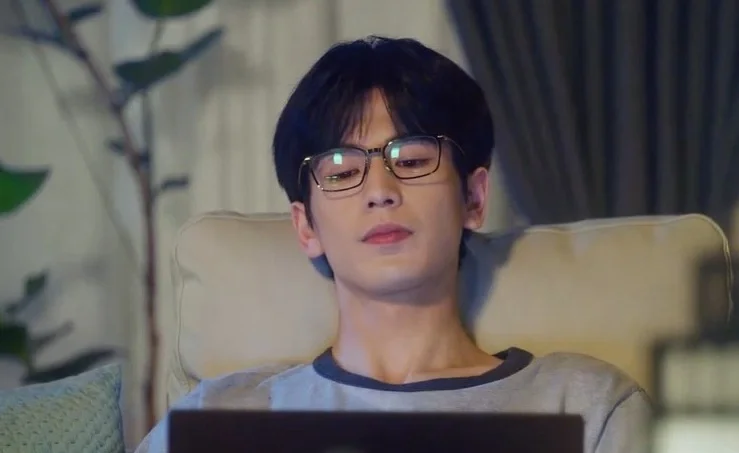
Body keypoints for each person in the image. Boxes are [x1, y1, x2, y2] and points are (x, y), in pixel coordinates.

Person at [133, 36, 651, 453]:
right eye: (342, 170)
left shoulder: (586, 405)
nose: (380, 191)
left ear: (473, 197)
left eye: (412, 160)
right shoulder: (218, 417)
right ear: (306, 226)